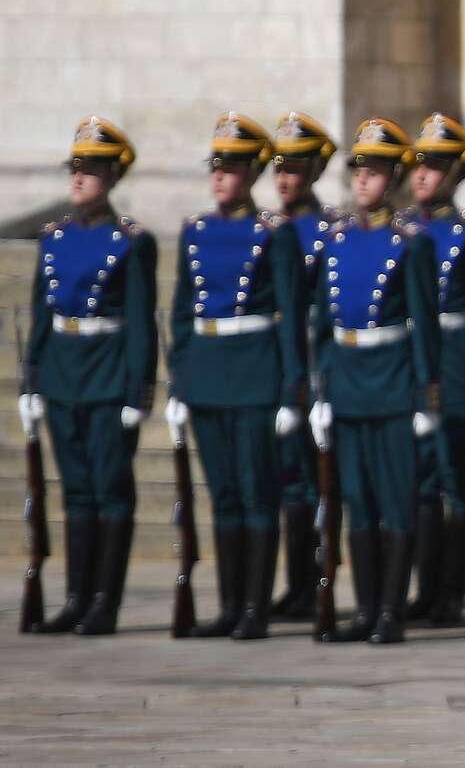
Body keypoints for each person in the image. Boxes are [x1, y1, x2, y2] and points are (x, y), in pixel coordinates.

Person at [165, 113, 306, 640]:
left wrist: (292, 391)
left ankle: (254, 607)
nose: (219, 176)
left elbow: (291, 315)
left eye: (230, 168)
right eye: (215, 167)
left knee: (255, 494)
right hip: (206, 373)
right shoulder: (195, 232)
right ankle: (228, 605)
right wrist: (178, 383)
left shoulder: (274, 234)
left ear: (251, 173)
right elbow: (182, 313)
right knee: (223, 494)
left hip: (253, 374)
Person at [20, 117, 156, 635]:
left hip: (105, 375)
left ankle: (105, 601)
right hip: (61, 373)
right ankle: (76, 598)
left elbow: (141, 324)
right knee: (76, 490)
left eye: (91, 171)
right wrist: (31, 382)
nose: (78, 179)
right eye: (75, 169)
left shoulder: (129, 242)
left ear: (112, 179)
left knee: (109, 490)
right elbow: (40, 315)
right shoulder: (53, 238)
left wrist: (137, 389)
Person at [309, 118, 441, 644]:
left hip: (390, 384)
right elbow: (321, 321)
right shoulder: (335, 242)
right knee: (357, 503)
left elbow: (425, 327)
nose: (364, 180)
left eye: (376, 171)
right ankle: (363, 609)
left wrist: (425, 396)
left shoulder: (410, 244)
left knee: (394, 501)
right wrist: (320, 389)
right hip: (347, 382)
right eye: (358, 170)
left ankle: (391, 609)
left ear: (394, 178)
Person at [396, 113, 465, 626]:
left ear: (455, 173)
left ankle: (451, 587)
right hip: (412, 360)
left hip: (455, 363)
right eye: (418, 165)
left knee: (455, 478)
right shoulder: (401, 233)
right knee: (420, 481)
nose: (423, 175)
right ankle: (424, 585)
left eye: (435, 166)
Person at [268, 111, 339, 619]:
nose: (284, 179)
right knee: (284, 483)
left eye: (294, 168)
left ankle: (318, 580)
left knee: (316, 482)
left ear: (314, 171)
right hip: (266, 365)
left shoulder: (328, 232)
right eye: (278, 169)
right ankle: (292, 583)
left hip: (312, 364)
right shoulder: (266, 229)